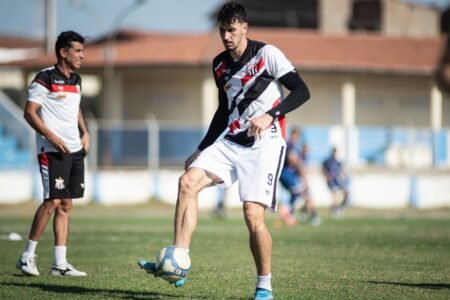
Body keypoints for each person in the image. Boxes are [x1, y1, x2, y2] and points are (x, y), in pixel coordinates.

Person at [138, 2, 310, 299]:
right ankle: (179, 261)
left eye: (232, 30)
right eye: (222, 30)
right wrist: (201, 148)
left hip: (265, 144)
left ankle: (264, 286)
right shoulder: (219, 64)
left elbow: (302, 91)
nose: (226, 36)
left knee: (252, 215)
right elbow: (223, 110)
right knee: (187, 182)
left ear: (244, 27)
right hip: (230, 142)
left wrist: (272, 114)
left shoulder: (267, 54)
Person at [16, 31, 89, 277]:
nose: (82, 55)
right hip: (52, 150)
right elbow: (30, 112)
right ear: (63, 52)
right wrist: (52, 138)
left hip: (74, 150)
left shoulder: (76, 80)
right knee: (52, 201)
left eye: (82, 50)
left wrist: (84, 132)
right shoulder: (44, 78)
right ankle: (27, 257)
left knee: (66, 204)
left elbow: (75, 108)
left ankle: (60, 264)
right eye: (77, 50)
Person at [278, 128, 320, 226]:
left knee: (300, 194)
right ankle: (310, 215)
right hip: (286, 175)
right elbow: (293, 159)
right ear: (293, 135)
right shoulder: (290, 145)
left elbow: (299, 164)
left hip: (290, 176)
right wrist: (301, 169)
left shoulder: (298, 149)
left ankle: (297, 213)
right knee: (304, 192)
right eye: (295, 135)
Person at [322, 147, 349, 217]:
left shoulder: (338, 162)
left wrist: (344, 175)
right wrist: (327, 176)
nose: (335, 154)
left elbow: (342, 170)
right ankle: (335, 210)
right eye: (334, 152)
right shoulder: (328, 161)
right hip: (331, 181)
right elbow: (323, 169)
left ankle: (340, 206)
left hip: (338, 181)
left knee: (346, 192)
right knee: (335, 196)